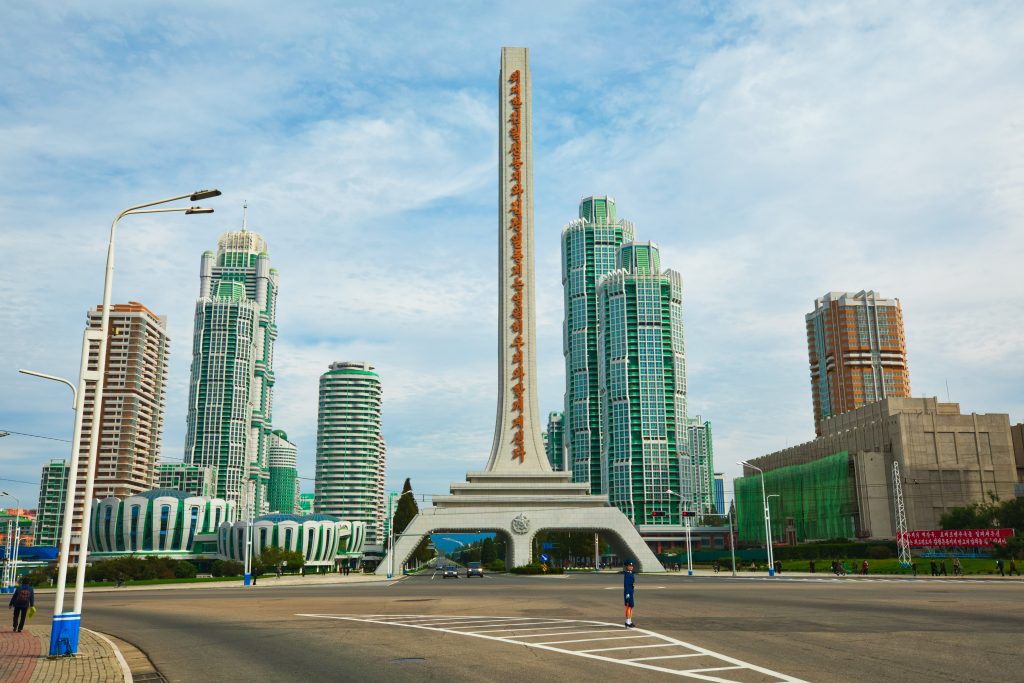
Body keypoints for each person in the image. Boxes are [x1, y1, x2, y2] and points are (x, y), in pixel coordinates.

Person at [623, 560, 636, 628]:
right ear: (627, 567)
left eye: (632, 566)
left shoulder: (630, 573)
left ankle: (629, 621)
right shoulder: (627, 574)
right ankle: (627, 621)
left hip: (631, 591)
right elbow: (626, 585)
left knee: (631, 606)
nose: (631, 567)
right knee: (628, 607)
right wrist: (627, 593)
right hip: (628, 592)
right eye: (630, 566)